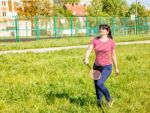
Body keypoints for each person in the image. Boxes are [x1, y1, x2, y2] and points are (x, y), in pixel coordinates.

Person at [83, 24, 119, 108]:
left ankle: (109, 98)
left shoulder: (111, 42)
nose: (100, 30)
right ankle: (99, 103)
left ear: (107, 31)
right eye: (100, 28)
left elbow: (113, 55)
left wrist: (116, 68)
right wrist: (86, 58)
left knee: (99, 83)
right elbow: (89, 50)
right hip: (96, 66)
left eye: (102, 29)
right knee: (96, 85)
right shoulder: (95, 40)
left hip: (107, 67)